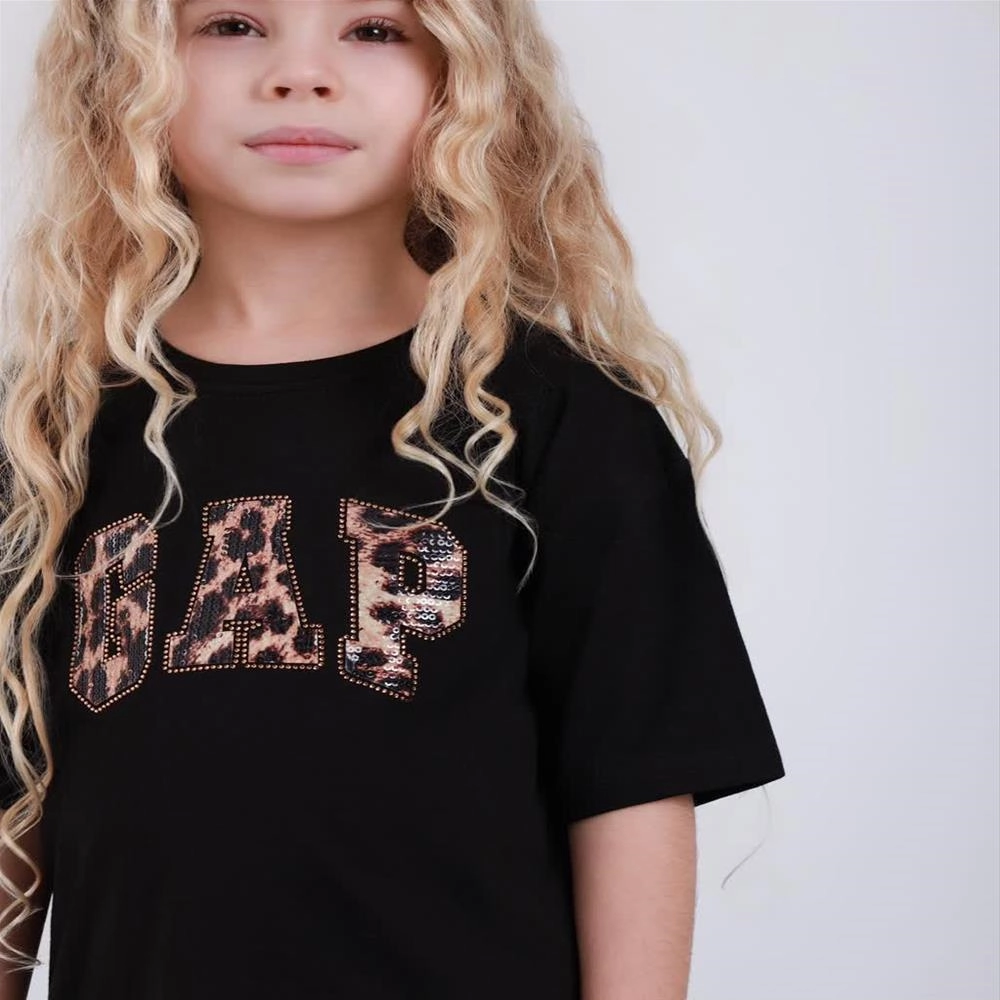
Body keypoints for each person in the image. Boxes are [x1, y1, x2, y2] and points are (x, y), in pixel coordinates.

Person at [0, 0, 786, 997]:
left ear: (462, 75)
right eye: (233, 24)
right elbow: (13, 809)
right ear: (123, 66)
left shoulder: (558, 419)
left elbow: (629, 795)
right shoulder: (46, 436)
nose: (300, 73)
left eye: (373, 30)